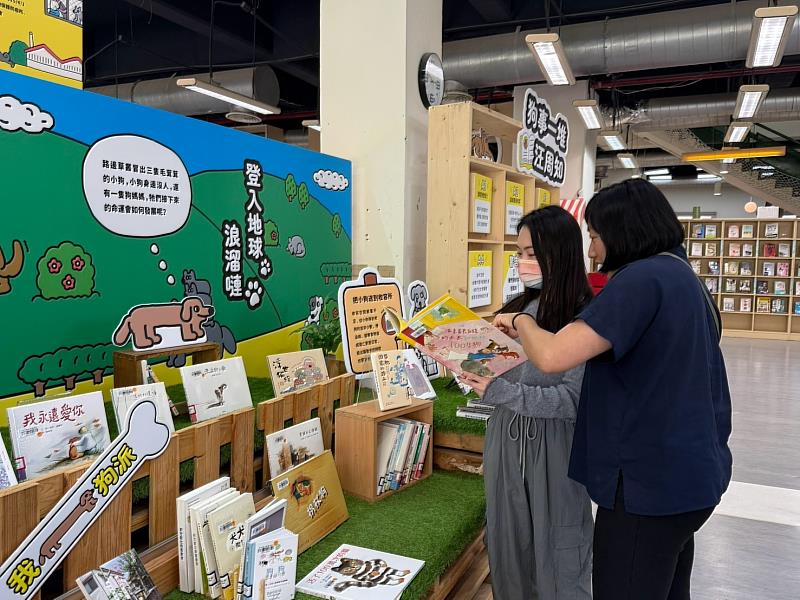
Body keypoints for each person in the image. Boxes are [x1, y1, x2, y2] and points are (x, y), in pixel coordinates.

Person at [494, 178, 732, 600]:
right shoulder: (684, 277)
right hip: (690, 478)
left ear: (626, 231)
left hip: (648, 487)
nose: (593, 249)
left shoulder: (641, 280)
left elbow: (552, 357)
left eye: (598, 236)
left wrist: (521, 322)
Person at [459, 206, 593, 600]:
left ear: (561, 252)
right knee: (507, 542)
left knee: (560, 550)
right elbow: (499, 368)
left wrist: (501, 392)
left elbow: (571, 399)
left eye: (532, 253)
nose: (522, 262)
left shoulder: (584, 315)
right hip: (505, 436)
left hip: (556, 445)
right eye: (519, 253)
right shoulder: (517, 306)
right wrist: (467, 363)